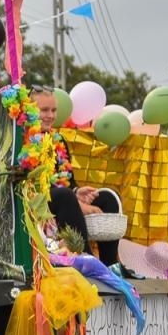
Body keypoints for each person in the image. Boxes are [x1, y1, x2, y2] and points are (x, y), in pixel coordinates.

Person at [31, 87, 121, 263]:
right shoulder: (24, 140)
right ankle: (86, 259)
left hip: (60, 197)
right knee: (64, 196)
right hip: (35, 202)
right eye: (44, 110)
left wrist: (77, 192)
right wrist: (79, 205)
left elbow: (65, 179)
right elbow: (34, 184)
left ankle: (110, 265)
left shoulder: (57, 140)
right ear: (30, 110)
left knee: (108, 198)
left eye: (53, 110)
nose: (50, 115)